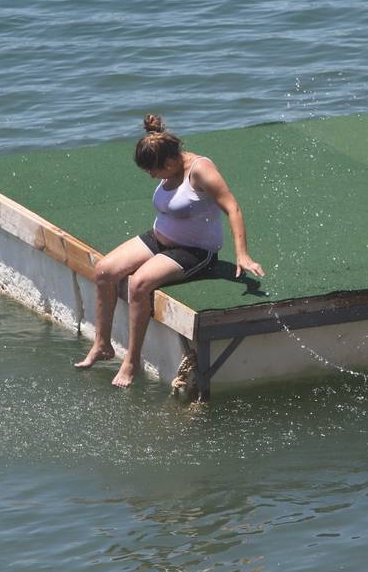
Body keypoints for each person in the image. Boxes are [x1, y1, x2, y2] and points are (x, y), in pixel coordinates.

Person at [75, 114, 264, 388]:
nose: (152, 176)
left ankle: (132, 360)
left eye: (154, 171)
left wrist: (242, 253)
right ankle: (103, 345)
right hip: (160, 239)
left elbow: (232, 207)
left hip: (196, 251)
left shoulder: (200, 170)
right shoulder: (166, 163)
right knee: (104, 271)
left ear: (172, 162)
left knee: (139, 283)